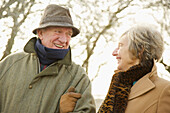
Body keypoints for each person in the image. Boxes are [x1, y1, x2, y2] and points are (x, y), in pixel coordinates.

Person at [0, 4, 96, 113]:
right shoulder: (9, 64)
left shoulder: (78, 76)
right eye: (58, 31)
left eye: (69, 34)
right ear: (40, 33)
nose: (64, 40)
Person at [98, 25, 170, 113]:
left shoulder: (165, 89)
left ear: (140, 50)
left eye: (120, 46)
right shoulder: (117, 85)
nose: (114, 53)